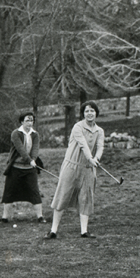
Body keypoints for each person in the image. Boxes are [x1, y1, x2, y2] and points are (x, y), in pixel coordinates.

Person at [46, 101, 105, 239]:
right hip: (71, 166)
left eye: (92, 111)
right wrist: (91, 158)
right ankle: (53, 230)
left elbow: (100, 146)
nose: (89, 113)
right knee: (63, 196)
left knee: (86, 198)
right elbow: (83, 145)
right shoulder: (77, 127)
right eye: (86, 111)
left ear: (96, 113)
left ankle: (84, 231)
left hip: (88, 169)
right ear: (83, 114)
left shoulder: (100, 131)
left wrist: (96, 158)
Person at [0, 111, 46, 224]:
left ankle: (40, 217)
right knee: (9, 192)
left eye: (31, 120)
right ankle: (4, 217)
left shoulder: (35, 134)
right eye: (27, 120)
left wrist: (33, 159)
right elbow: (21, 150)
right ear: (22, 122)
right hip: (15, 167)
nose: (30, 123)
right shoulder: (15, 133)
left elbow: (35, 149)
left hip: (30, 169)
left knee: (35, 192)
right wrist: (29, 160)